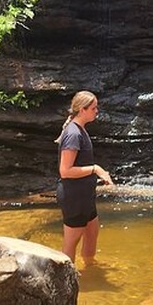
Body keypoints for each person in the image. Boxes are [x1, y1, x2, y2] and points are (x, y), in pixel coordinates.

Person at [55, 91, 113, 265]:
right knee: (70, 244)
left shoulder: (79, 129)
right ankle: (66, 282)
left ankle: (90, 271)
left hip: (84, 195)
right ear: (82, 110)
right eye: (94, 108)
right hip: (74, 196)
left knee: (92, 232)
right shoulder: (73, 134)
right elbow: (65, 171)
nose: (97, 111)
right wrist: (95, 169)